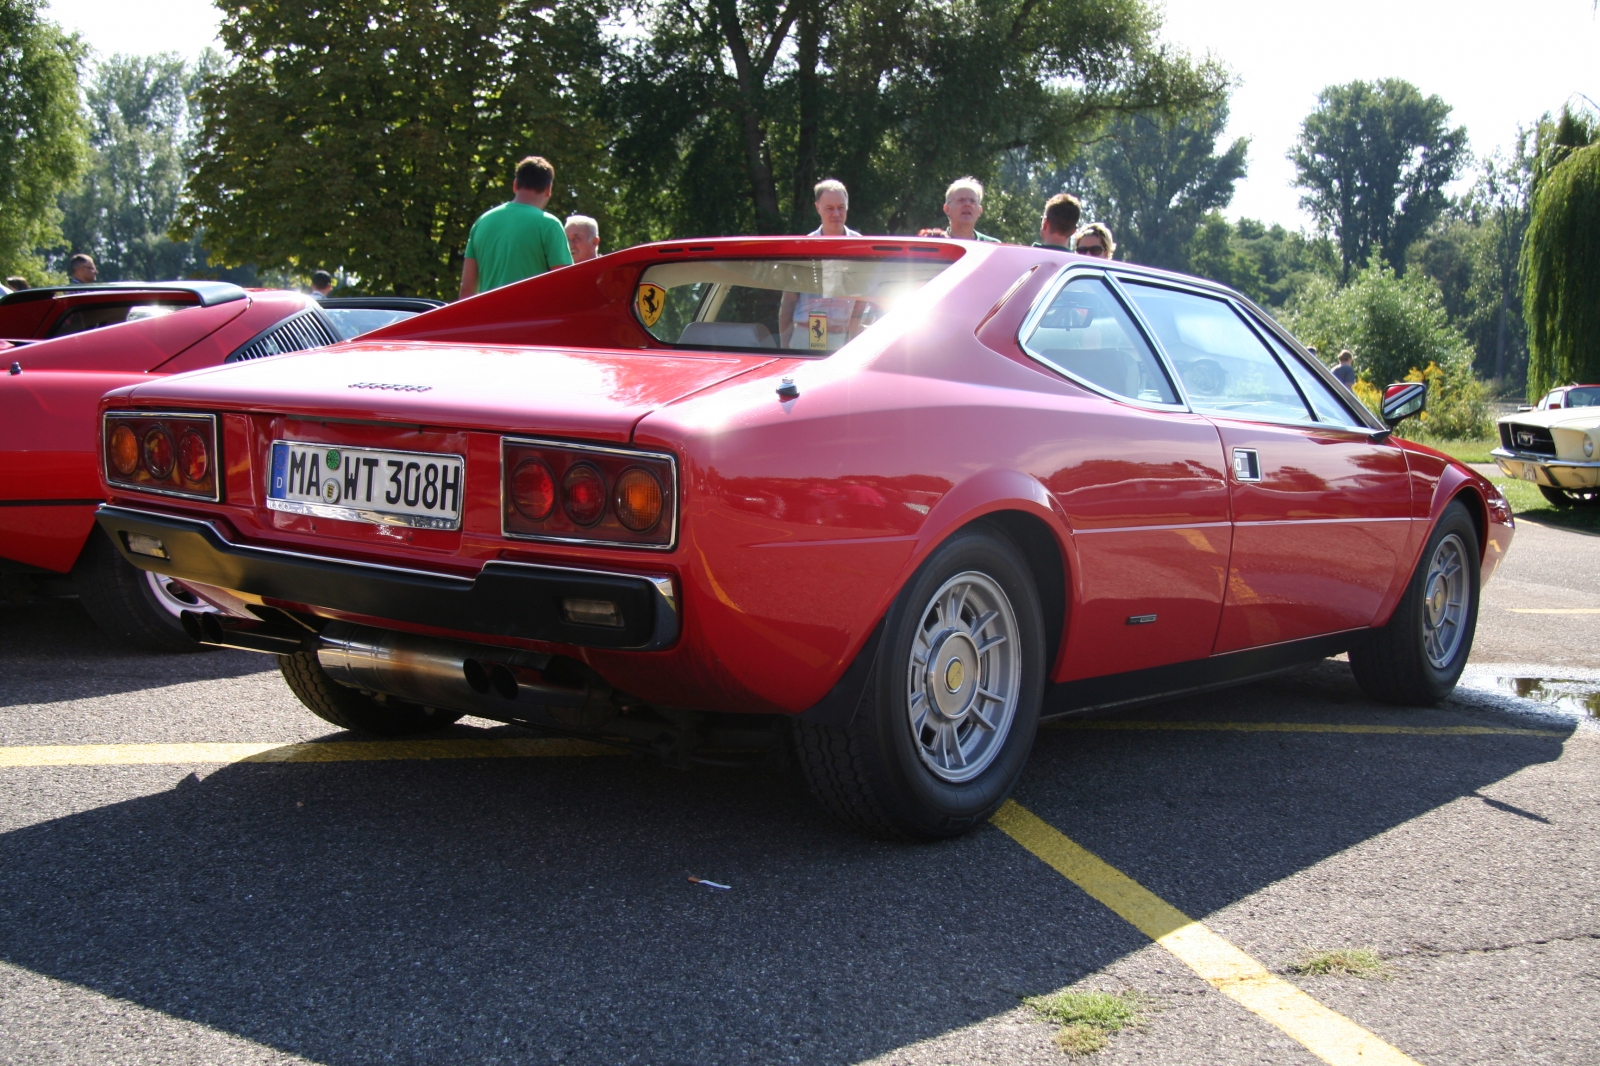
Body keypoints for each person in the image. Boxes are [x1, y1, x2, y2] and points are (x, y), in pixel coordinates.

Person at [458, 156, 572, 300]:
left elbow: (466, 290)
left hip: (490, 319)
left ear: (515, 185)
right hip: (532, 320)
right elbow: (566, 285)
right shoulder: (549, 225)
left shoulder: (482, 222)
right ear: (549, 189)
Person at [941, 178, 998, 242]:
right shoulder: (935, 242)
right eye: (961, 200)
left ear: (980, 210)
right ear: (947, 209)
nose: (967, 204)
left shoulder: (993, 246)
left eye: (972, 201)